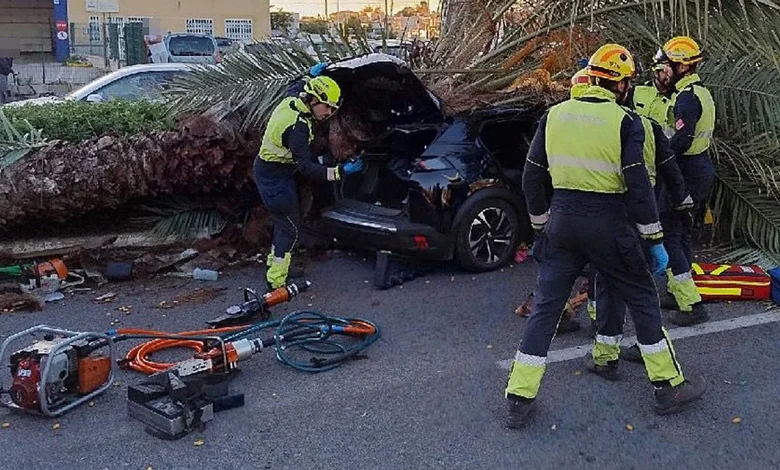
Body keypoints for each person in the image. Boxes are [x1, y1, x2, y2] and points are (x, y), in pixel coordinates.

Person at [504, 44, 705, 429]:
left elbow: (531, 177)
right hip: (609, 224)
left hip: (563, 222)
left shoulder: (553, 115)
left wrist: (542, 227)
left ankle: (519, 396)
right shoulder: (626, 121)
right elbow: (638, 187)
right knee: (643, 298)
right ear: (622, 85)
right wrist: (654, 240)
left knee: (546, 309)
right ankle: (668, 386)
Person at [254, 62, 364, 290]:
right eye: (327, 107)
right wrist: (340, 172)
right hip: (274, 178)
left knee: (283, 223)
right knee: (290, 227)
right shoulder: (298, 127)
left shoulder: (293, 100)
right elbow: (306, 167)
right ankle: (276, 280)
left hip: (271, 171)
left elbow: (295, 85)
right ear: (314, 100)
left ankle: (277, 266)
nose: (329, 113)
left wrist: (310, 74)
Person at [654, 36, 716, 326]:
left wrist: (658, 153)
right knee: (682, 234)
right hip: (699, 168)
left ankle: (691, 304)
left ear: (680, 66)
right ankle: (675, 292)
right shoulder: (699, 91)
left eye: (666, 65)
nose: (662, 72)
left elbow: (682, 140)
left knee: (670, 234)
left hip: (686, 171)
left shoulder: (687, 98)